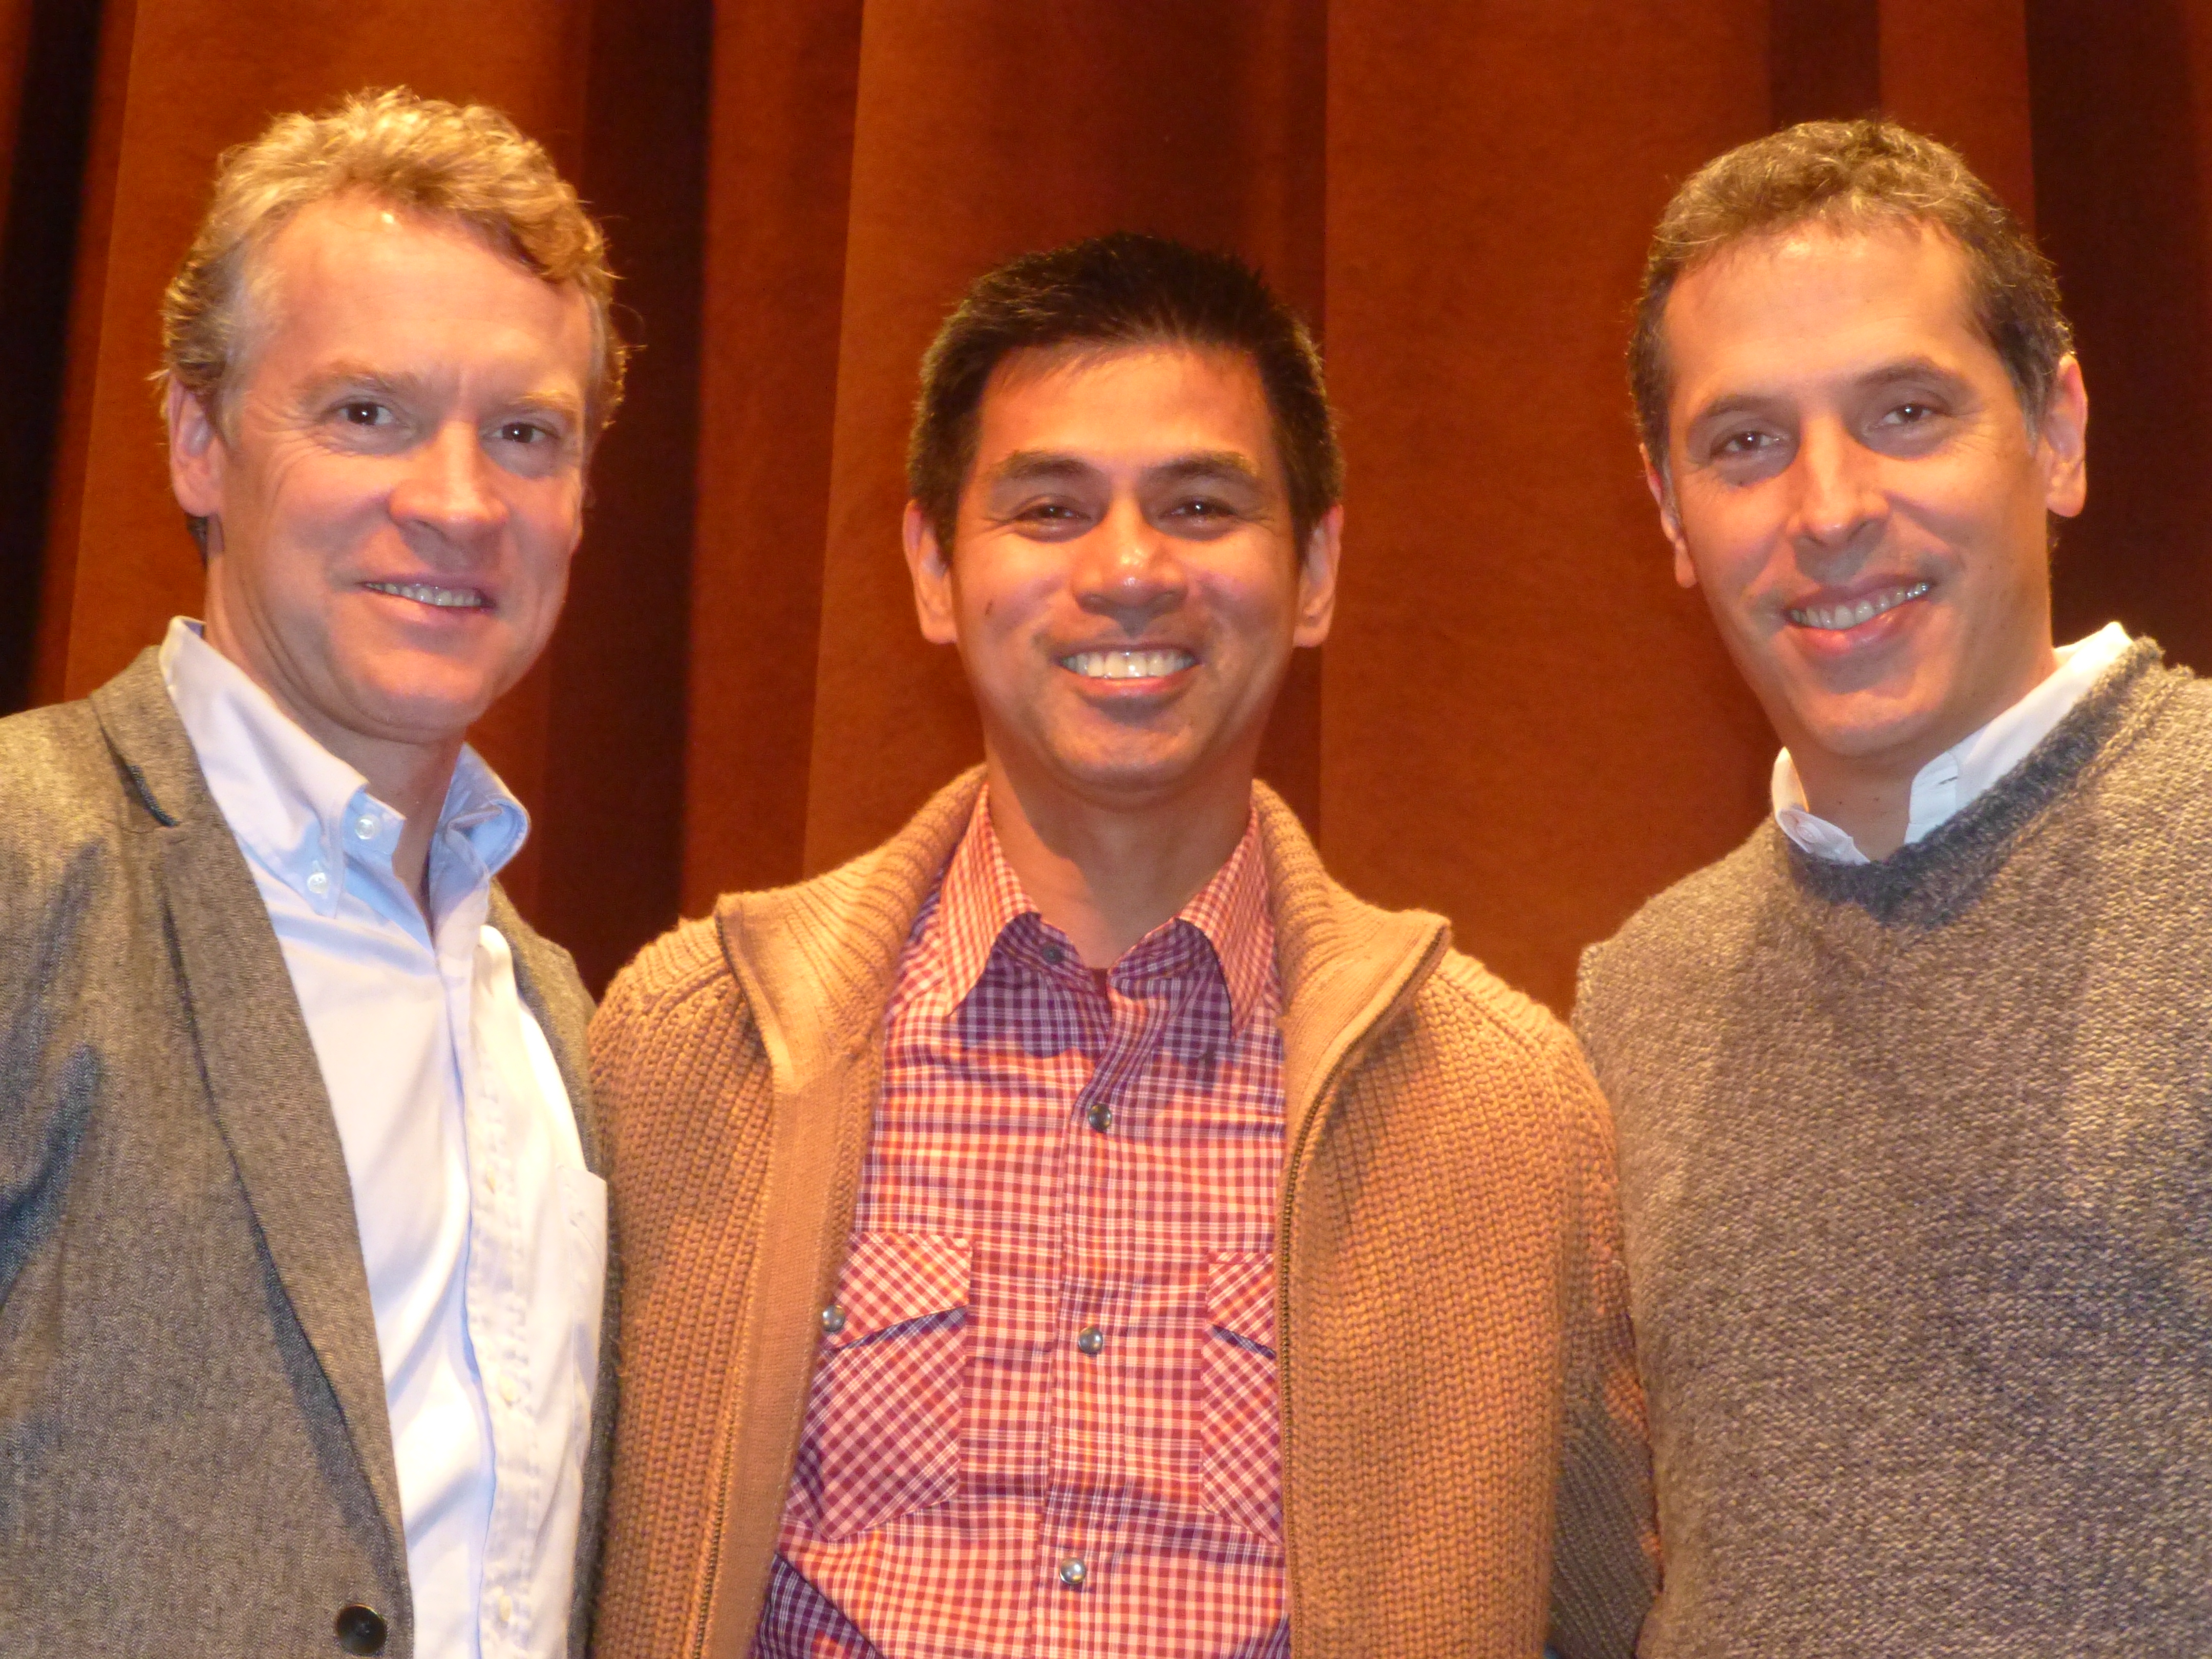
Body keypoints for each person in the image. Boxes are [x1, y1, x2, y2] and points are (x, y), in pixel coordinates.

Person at [591, 232, 1655, 1659]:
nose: (1132, 570)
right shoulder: (684, 1055)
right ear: (932, 566)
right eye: (1048, 507)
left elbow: (1618, 1618)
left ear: (1319, 568)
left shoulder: (1508, 1118)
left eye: (1203, 505)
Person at [1576, 117, 2212, 1652]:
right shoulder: (1639, 991)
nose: (1832, 508)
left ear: (2057, 433)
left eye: (1908, 411)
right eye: (1746, 444)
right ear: (1670, 513)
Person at [0, 90, 621, 1658]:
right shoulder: (23, 857)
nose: (461, 500)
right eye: (369, 413)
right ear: (200, 443)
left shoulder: (553, 1015)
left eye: (527, 434)